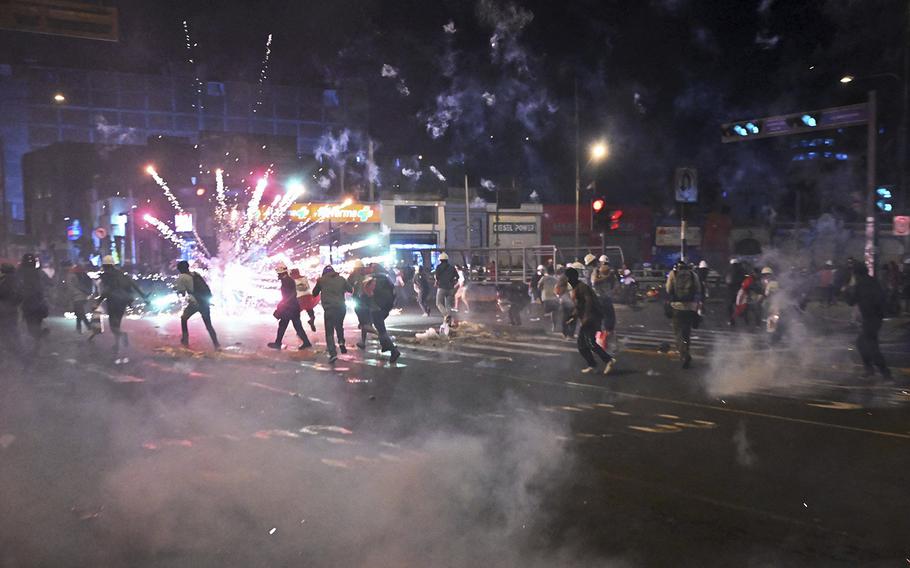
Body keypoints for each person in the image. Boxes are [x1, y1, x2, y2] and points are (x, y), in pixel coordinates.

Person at [844, 261, 892, 381]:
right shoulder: (872, 281)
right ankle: (870, 370)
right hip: (875, 318)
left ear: (856, 273)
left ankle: (886, 375)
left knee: (872, 347)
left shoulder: (860, 284)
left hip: (870, 319)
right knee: (861, 343)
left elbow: (851, 302)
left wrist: (845, 290)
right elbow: (881, 298)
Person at [565, 267, 614, 374]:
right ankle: (593, 365)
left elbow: (589, 302)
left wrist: (586, 316)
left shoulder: (582, 287)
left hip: (592, 318)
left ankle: (609, 360)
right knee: (582, 345)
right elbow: (579, 306)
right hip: (587, 319)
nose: (567, 280)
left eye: (568, 277)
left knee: (590, 342)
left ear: (572, 277)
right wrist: (572, 316)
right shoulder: (575, 288)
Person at [96, 255, 146, 354]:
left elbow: (107, 290)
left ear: (105, 266)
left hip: (112, 301)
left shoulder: (107, 276)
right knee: (117, 322)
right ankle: (117, 345)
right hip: (123, 301)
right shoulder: (122, 274)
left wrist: (98, 301)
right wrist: (144, 297)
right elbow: (133, 285)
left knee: (112, 325)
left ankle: (122, 335)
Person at [175, 260, 220, 350]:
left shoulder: (181, 277)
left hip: (195, 303)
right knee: (208, 325)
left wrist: (177, 289)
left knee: (184, 318)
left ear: (179, 269)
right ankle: (217, 345)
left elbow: (182, 293)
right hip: (204, 302)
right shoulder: (195, 274)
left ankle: (185, 340)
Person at [312, 265, 353, 363]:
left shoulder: (321, 280)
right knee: (339, 325)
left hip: (329, 308)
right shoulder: (341, 279)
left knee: (329, 331)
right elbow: (350, 290)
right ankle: (341, 342)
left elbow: (314, 293)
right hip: (341, 307)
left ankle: (333, 353)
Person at [666, 260, 702, 368]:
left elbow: (668, 289)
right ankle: (687, 350)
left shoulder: (673, 274)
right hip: (690, 307)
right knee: (687, 332)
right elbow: (698, 289)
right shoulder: (693, 274)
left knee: (678, 333)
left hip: (677, 306)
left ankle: (684, 354)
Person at [268, 263, 311, 351]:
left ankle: (278, 343)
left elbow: (290, 295)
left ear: (282, 273)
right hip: (291, 307)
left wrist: (282, 306)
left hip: (290, 308)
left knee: (290, 325)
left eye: (279, 273)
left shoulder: (287, 281)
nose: (278, 275)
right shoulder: (287, 280)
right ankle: (279, 342)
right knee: (286, 325)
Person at [363, 263, 401, 363]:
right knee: (380, 328)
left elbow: (367, 293)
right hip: (386, 307)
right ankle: (385, 345)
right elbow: (394, 292)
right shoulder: (387, 278)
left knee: (381, 330)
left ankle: (394, 350)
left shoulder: (371, 280)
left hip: (376, 307)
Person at [60, 260, 93, 334]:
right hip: (83, 295)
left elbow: (70, 288)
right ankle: (79, 328)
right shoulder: (78, 272)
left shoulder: (70, 275)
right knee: (79, 312)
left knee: (80, 312)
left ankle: (88, 326)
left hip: (77, 296)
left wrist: (67, 298)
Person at [347, 260, 373, 349]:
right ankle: (364, 338)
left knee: (364, 322)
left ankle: (384, 340)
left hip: (360, 300)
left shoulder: (354, 276)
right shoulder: (367, 275)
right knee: (364, 322)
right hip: (365, 300)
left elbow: (348, 286)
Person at [0, 263, 23, 358]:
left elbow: (3, 293)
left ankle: (16, 353)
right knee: (13, 331)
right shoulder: (17, 280)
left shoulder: (5, 280)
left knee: (7, 332)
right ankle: (19, 351)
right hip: (12, 310)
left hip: (5, 310)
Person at [290, 267, 318, 331]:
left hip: (299, 299)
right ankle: (312, 320)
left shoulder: (292, 280)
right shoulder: (304, 278)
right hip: (308, 297)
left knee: (296, 315)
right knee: (310, 310)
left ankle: (299, 330)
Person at [434, 252, 458, 319]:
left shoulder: (438, 267)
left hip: (442, 288)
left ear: (440, 260)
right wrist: (452, 282)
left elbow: (437, 277)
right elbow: (457, 277)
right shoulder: (452, 267)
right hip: (450, 288)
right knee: (448, 305)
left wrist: (438, 282)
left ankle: (446, 315)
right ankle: (449, 320)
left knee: (438, 303)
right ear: (447, 259)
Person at [538, 265, 560, 332]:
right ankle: (554, 326)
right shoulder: (556, 279)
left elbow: (539, 286)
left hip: (546, 297)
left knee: (543, 311)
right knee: (554, 312)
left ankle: (542, 326)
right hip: (554, 298)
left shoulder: (544, 278)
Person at [725, 258, 745, 326]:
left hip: (731, 290)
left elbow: (726, 279)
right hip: (738, 289)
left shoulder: (729, 270)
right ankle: (741, 317)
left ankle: (731, 320)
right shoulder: (741, 270)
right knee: (738, 304)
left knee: (729, 306)